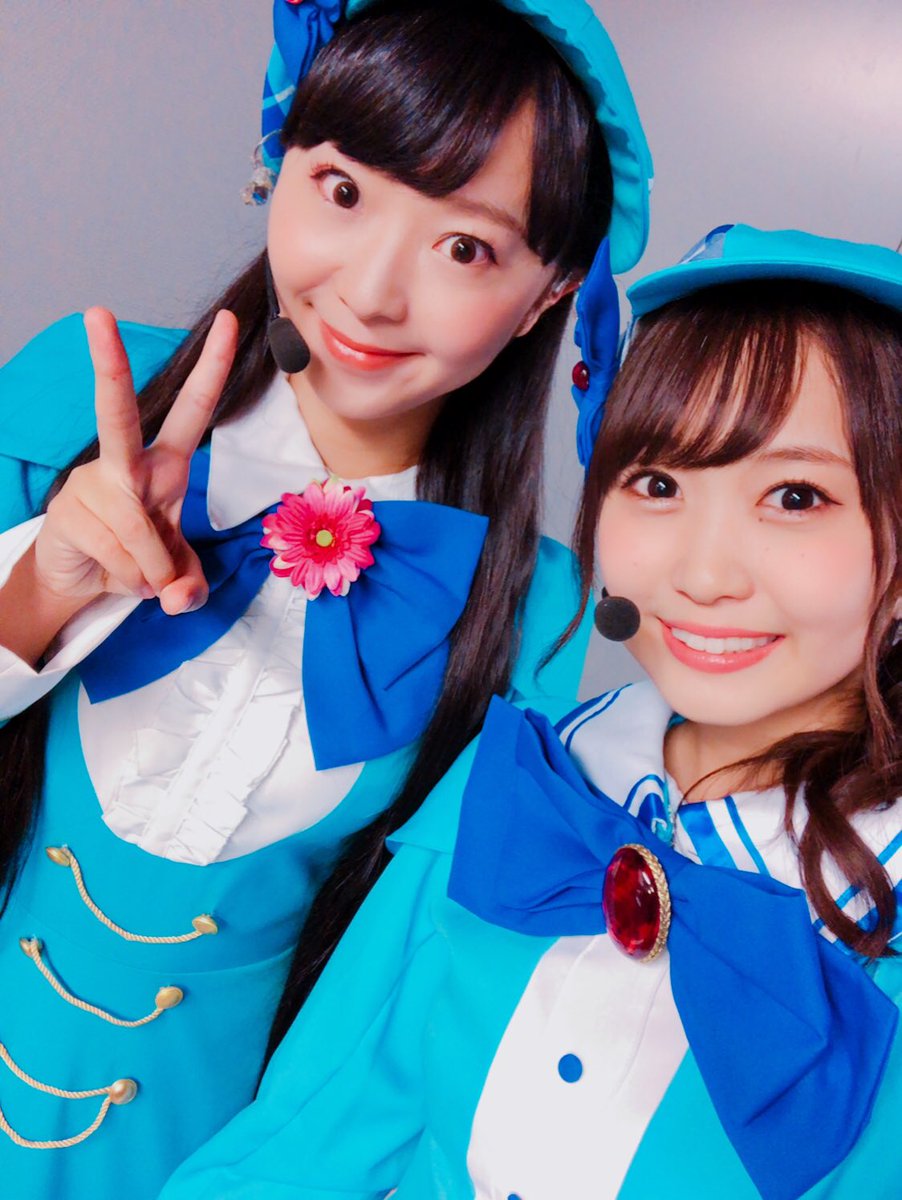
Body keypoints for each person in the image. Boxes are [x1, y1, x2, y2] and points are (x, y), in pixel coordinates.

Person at [0, 1, 652, 1194]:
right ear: (277, 159)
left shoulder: (528, 618)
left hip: (204, 1165)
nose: (371, 292)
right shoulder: (74, 403)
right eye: (342, 190)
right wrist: (43, 587)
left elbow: (396, 1003)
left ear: (547, 295)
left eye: (465, 249)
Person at [161, 225, 902, 1200]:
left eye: (795, 497)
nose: (702, 573)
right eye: (656, 484)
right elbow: (309, 1138)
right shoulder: (526, 783)